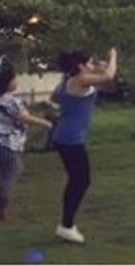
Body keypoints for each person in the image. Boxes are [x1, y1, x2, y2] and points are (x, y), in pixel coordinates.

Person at [50, 47, 118, 244]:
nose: (92, 65)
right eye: (89, 63)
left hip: (64, 135)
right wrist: (112, 56)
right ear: (80, 66)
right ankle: (66, 225)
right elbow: (108, 75)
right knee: (81, 180)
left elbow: (55, 98)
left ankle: (66, 223)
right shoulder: (80, 79)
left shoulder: (68, 81)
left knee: (76, 179)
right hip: (71, 138)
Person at [0, 63, 54, 220]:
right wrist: (46, 123)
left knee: (13, 169)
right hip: (3, 143)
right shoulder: (11, 100)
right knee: (12, 170)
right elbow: (23, 117)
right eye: (14, 79)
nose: (16, 81)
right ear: (8, 83)